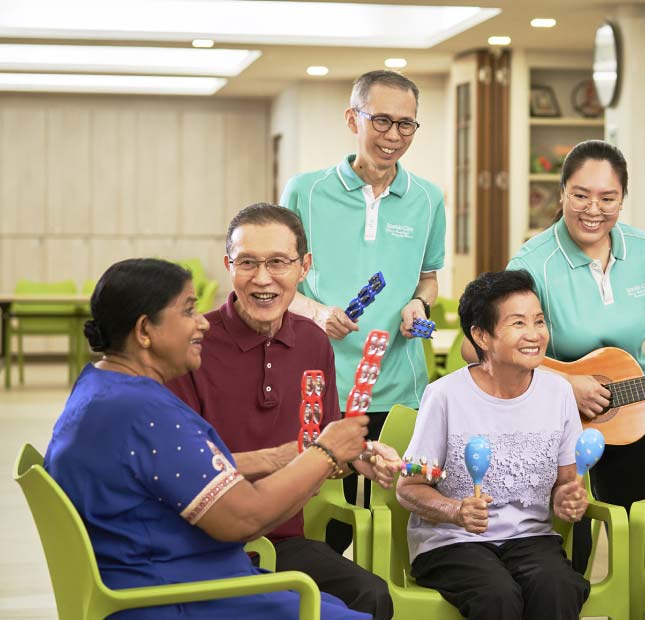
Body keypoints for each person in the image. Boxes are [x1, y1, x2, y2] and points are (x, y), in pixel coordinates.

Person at [44, 258, 372, 620]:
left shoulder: (102, 390)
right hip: (176, 598)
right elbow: (245, 518)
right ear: (145, 330)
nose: (202, 322)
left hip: (159, 581)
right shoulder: (143, 412)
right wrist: (325, 452)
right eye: (188, 310)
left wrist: (282, 457)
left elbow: (171, 471)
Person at [166, 204, 396, 620]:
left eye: (277, 262)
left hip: (283, 540)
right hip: (205, 543)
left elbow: (325, 445)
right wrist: (291, 456)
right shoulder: (193, 345)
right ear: (228, 266)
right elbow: (179, 469)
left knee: (371, 595)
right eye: (247, 263)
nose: (262, 278)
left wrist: (358, 456)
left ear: (303, 267)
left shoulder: (314, 342)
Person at [502, 139, 645, 572]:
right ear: (562, 194)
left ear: (622, 199)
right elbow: (487, 347)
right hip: (553, 424)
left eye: (608, 198)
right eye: (581, 195)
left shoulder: (642, 250)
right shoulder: (532, 263)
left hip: (633, 414)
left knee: (641, 545)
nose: (593, 209)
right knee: (564, 551)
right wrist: (565, 383)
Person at [280, 69, 445, 519]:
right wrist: (316, 313)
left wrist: (419, 303)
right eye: (382, 120)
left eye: (406, 124)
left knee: (392, 522)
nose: (394, 136)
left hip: (399, 389)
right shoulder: (305, 191)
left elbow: (429, 277)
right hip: (320, 385)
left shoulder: (428, 199)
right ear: (353, 119)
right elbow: (277, 284)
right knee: (323, 523)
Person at [397, 270, 591, 620]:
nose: (534, 334)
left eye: (539, 321)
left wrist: (568, 498)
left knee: (560, 586)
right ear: (481, 336)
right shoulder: (444, 396)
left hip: (530, 539)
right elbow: (408, 487)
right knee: (497, 596)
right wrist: (456, 511)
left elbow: (566, 481)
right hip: (452, 542)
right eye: (518, 323)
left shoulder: (559, 393)